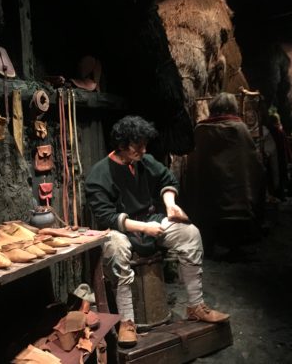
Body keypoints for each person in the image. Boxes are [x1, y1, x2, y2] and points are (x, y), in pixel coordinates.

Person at [85, 115, 229, 348]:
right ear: (121, 145)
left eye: (144, 144)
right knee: (117, 246)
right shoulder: (99, 175)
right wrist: (144, 227)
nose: (143, 150)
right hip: (119, 228)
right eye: (137, 145)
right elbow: (106, 216)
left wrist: (170, 204)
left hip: (149, 221)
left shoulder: (144, 161)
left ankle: (195, 306)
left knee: (190, 234)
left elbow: (166, 178)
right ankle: (127, 322)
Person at [184, 92, 265, 252]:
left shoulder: (201, 129)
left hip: (209, 184)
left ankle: (210, 244)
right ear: (233, 108)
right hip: (235, 186)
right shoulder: (239, 128)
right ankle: (234, 245)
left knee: (210, 210)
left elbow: (194, 160)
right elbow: (250, 158)